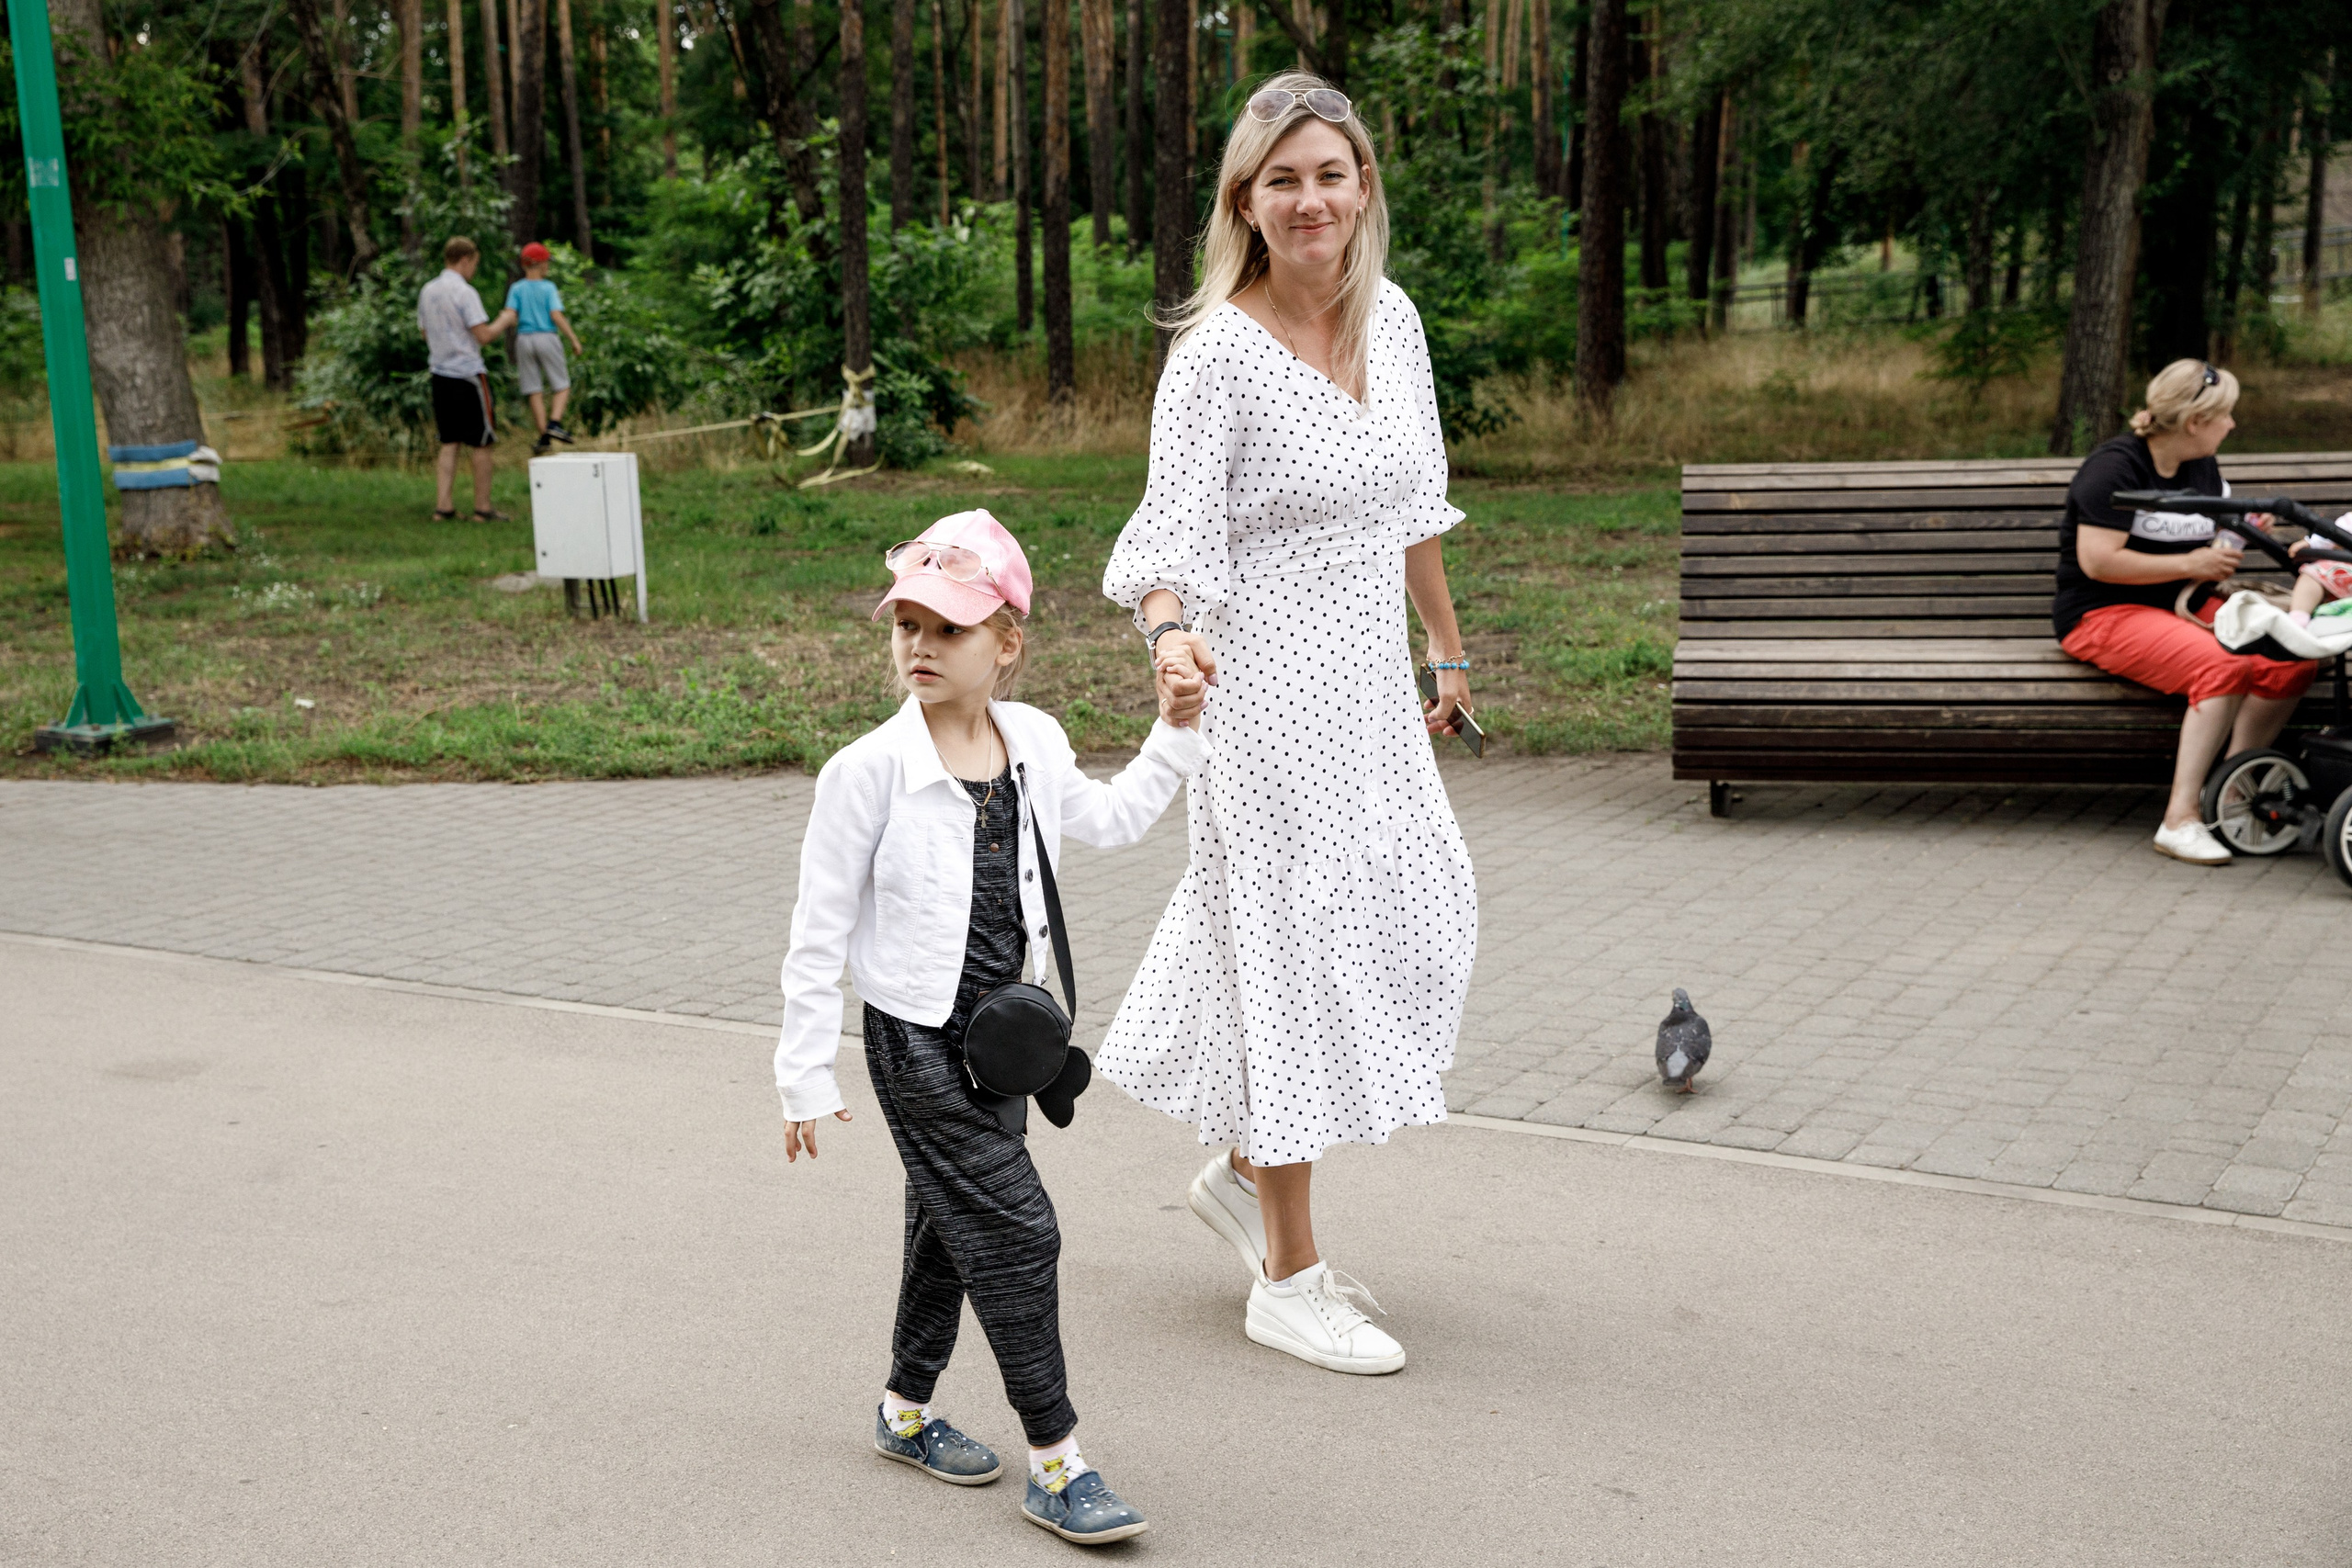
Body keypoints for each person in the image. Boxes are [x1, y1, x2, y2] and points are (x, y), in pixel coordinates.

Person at [1097, 73, 1478, 1375]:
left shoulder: (1399, 322)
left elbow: (1412, 502)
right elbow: (1169, 540)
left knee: (1422, 915)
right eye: (1282, 180)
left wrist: (1446, 645)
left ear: (1362, 183)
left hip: (1368, 694)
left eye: (1330, 172)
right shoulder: (1216, 356)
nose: (1309, 199)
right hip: (1260, 703)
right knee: (1294, 955)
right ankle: (1290, 1270)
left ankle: (1247, 1172)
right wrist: (1168, 638)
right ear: (1245, 204)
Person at [775, 510, 1205, 1548]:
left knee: (947, 1229)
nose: (919, 646)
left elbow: (1106, 821)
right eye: (905, 626)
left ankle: (904, 1413)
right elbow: (816, 929)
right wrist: (801, 1074)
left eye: (948, 629)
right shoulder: (864, 771)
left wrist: (1175, 729)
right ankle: (1058, 1465)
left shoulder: (1037, 742)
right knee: (1017, 1228)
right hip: (915, 1041)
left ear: (1005, 643)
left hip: (1001, 1043)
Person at [2052, 358, 2318, 865]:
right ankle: (2180, 819)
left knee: (2292, 661)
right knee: (2222, 664)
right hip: (2103, 612)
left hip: (2183, 605)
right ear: (2196, 421)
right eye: (2226, 415)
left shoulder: (2201, 464)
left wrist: (2238, 531)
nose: (2233, 425)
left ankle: (2231, 795)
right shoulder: (2114, 468)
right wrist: (2192, 562)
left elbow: (2203, 538)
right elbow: (2098, 562)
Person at [416, 236, 517, 521]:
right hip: (468, 374)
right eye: (474, 263)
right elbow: (483, 335)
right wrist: (506, 319)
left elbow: (424, 332)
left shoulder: (428, 290)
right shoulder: (465, 292)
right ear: (465, 260)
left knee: (449, 441)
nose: (473, 269)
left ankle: (443, 506)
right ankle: (483, 508)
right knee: (482, 442)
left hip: (439, 373)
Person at [504, 243, 587, 456]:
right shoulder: (548, 287)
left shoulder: (517, 288)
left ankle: (543, 437)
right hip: (546, 337)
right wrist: (574, 339)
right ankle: (554, 423)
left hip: (524, 339)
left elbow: (511, 316)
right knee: (562, 384)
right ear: (541, 264)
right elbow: (556, 315)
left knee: (534, 389)